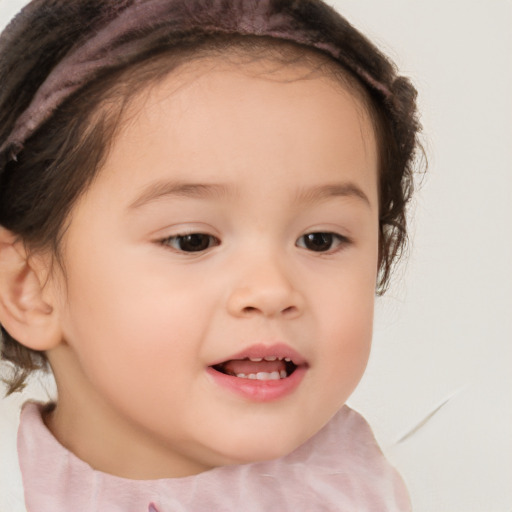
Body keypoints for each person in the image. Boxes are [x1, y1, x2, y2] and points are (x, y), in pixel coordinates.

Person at [0, 0, 421, 510]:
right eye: (192, 240)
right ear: (29, 289)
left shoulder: (360, 488)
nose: (271, 290)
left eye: (320, 240)